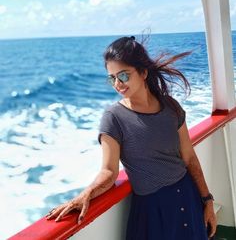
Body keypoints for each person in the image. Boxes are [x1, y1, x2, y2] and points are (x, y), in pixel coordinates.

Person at [46, 36, 217, 240]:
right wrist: (85, 195)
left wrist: (207, 200)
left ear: (143, 72)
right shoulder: (113, 118)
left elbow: (189, 158)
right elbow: (109, 171)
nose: (118, 84)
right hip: (152, 211)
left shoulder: (171, 107)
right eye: (112, 78)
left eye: (124, 76)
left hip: (187, 197)